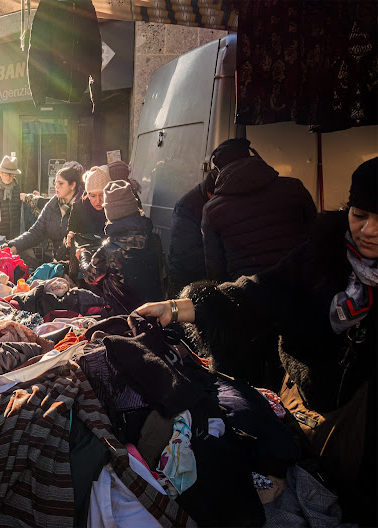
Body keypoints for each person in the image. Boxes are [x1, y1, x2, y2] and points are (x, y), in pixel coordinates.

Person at [136, 157, 378, 525]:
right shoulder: (321, 253)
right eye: (359, 214)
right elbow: (261, 290)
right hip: (307, 410)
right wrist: (180, 306)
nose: (369, 229)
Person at [201, 138, 317, 282]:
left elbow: (215, 268)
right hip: (300, 285)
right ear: (251, 157)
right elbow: (316, 236)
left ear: (219, 171)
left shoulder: (211, 210)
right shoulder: (294, 187)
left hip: (249, 294)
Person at [78, 180, 165, 314]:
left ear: (110, 214)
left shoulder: (108, 248)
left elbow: (91, 277)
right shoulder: (154, 239)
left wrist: (83, 257)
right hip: (155, 312)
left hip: (122, 315)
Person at [7, 161, 83, 263]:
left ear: (73, 185)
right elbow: (36, 232)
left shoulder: (83, 205)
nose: (56, 186)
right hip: (57, 263)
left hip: (79, 265)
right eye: (55, 183)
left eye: (61, 183)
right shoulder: (52, 204)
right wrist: (13, 247)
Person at [167, 170, 215, 293]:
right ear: (209, 193)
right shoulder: (186, 207)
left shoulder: (203, 202)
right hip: (187, 278)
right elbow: (187, 255)